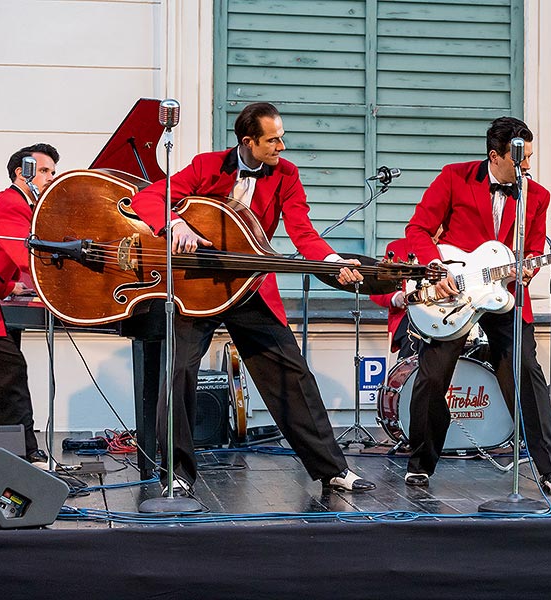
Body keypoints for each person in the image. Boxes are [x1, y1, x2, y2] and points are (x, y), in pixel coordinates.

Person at [130, 102, 375, 496]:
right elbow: (150, 197)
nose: (281, 146)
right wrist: (175, 223)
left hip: (250, 285)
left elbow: (303, 232)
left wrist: (331, 261)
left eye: (281, 137)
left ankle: (331, 469)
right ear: (248, 141)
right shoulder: (206, 165)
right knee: (178, 374)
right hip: (200, 287)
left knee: (291, 373)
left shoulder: (286, 175)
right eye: (273, 140)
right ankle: (177, 474)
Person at [402, 116, 551, 496]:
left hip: (504, 295)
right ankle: (420, 463)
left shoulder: (536, 195)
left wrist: (527, 270)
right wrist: (436, 269)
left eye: (530, 158)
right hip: (454, 295)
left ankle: (550, 470)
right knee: (431, 377)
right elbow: (418, 230)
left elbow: (535, 248)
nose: (527, 166)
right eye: (519, 160)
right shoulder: (453, 177)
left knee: (527, 372)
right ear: (495, 156)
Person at [0, 143, 60, 467]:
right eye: (45, 170)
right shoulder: (10, 204)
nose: (51, 177)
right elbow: (28, 256)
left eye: (52, 171)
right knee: (11, 372)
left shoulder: (24, 205)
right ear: (23, 172)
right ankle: (27, 455)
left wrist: (10, 285)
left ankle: (15, 453)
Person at [370, 237, 422, 360]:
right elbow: (377, 290)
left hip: (448, 314)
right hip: (408, 315)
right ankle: (407, 376)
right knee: (416, 332)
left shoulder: (454, 249)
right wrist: (396, 297)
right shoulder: (398, 248)